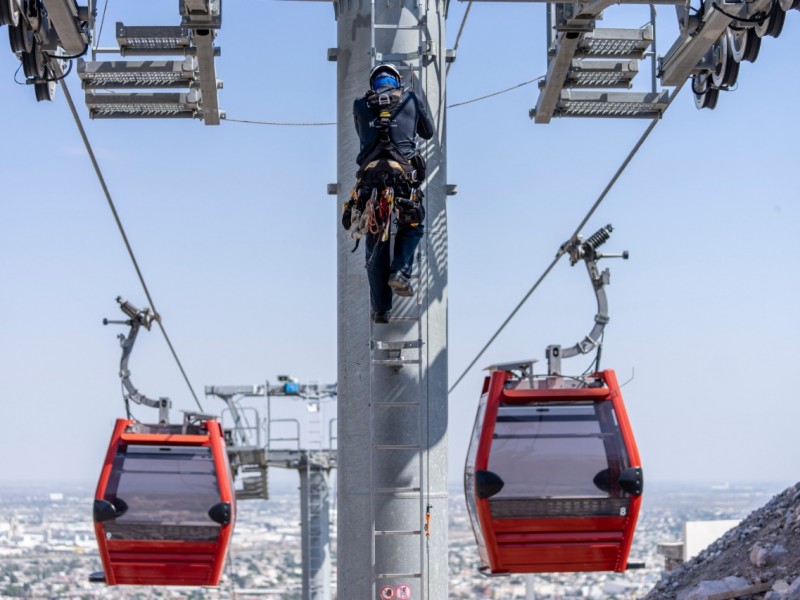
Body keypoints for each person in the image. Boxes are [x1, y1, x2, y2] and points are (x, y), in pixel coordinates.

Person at [348, 63, 434, 324]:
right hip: (402, 179)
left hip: (370, 181)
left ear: (372, 84)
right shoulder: (411, 98)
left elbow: (364, 134)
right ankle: (401, 271)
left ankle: (380, 310)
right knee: (414, 225)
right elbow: (427, 133)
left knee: (375, 243)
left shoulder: (360, 105)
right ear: (397, 82)